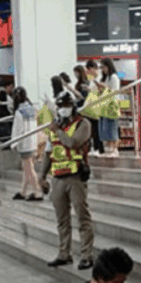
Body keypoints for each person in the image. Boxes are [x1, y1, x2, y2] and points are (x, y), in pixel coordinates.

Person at [40, 92, 95, 270]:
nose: (63, 109)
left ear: (73, 105)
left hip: (76, 177)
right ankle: (64, 254)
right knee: (62, 220)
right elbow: (48, 153)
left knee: (82, 218)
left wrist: (57, 131)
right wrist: (41, 176)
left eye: (66, 105)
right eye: (60, 105)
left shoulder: (83, 124)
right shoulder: (55, 127)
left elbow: (73, 143)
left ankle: (87, 255)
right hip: (57, 178)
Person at [10, 87, 43, 202]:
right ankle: (22, 191)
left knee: (29, 168)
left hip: (24, 143)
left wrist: (13, 143)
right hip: (32, 141)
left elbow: (18, 129)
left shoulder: (19, 111)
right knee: (27, 167)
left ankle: (37, 192)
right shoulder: (31, 108)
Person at [74, 64, 104, 156]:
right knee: (90, 130)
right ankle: (93, 148)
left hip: (91, 107)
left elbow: (99, 92)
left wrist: (89, 89)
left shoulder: (94, 80)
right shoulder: (90, 81)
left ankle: (98, 148)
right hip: (86, 108)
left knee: (94, 129)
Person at [95, 58, 121, 157]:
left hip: (111, 105)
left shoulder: (114, 77)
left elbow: (114, 91)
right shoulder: (106, 78)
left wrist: (105, 87)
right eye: (101, 67)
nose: (102, 69)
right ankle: (109, 150)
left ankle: (114, 150)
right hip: (104, 106)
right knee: (105, 129)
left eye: (103, 67)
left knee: (112, 128)